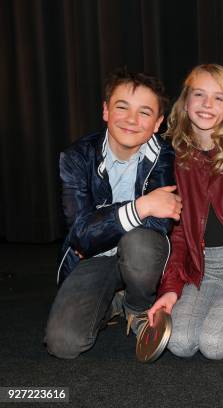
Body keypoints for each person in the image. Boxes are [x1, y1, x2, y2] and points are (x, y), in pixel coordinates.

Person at [45, 68, 181, 359]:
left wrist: (103, 223)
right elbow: (81, 235)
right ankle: (110, 303)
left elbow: (158, 224)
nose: (132, 120)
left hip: (139, 256)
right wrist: (141, 205)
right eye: (122, 107)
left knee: (140, 243)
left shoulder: (166, 156)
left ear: (157, 123)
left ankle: (136, 306)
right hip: (93, 260)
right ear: (106, 111)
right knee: (63, 344)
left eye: (145, 113)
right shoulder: (76, 157)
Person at [146, 64, 223, 360]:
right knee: (179, 343)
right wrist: (170, 289)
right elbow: (177, 236)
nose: (207, 105)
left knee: (214, 345)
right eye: (199, 95)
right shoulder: (172, 161)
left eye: (219, 98)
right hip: (199, 269)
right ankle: (216, 303)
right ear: (185, 102)